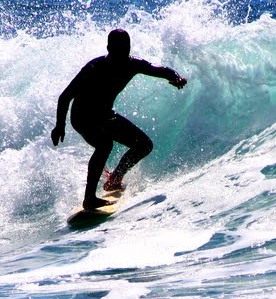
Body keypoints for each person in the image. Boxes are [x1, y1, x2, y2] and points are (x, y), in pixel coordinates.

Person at [51, 29, 188, 209]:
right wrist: (60, 126)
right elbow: (65, 96)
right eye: (118, 49)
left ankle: (114, 180)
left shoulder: (132, 64)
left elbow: (159, 70)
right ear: (108, 48)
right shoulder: (93, 68)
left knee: (144, 145)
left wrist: (175, 77)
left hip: (105, 115)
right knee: (104, 144)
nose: (123, 53)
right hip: (82, 116)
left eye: (126, 49)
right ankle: (89, 198)